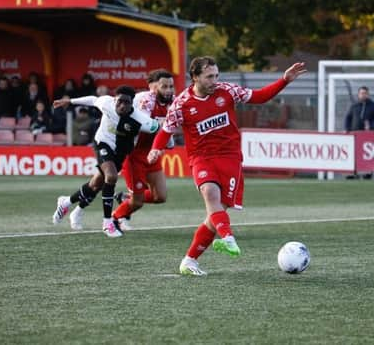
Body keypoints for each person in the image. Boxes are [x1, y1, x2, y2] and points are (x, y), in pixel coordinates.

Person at [147, 57, 307, 276]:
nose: (215, 80)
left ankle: (189, 260)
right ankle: (229, 238)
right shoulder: (182, 103)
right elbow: (166, 129)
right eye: (209, 76)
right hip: (201, 158)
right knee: (210, 194)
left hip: (230, 157)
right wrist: (157, 148)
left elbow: (259, 97)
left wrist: (284, 80)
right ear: (195, 77)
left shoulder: (228, 91)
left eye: (216, 75)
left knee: (216, 213)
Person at [51, 86, 159, 237]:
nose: (122, 105)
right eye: (119, 101)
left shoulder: (140, 118)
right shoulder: (106, 103)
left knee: (96, 184)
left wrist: (169, 137)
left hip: (120, 152)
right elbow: (93, 100)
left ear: (131, 104)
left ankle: (66, 202)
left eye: (126, 103)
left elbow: (159, 128)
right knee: (111, 176)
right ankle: (107, 222)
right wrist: (70, 101)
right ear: (114, 99)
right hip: (102, 143)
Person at [110, 69, 175, 231]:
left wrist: (167, 140)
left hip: (152, 153)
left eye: (171, 86)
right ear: (154, 88)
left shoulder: (173, 102)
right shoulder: (146, 101)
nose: (168, 90)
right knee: (137, 202)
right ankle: (114, 219)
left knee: (160, 196)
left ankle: (125, 198)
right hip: (134, 155)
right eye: (164, 86)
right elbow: (143, 126)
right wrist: (162, 127)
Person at [344, 86, 374, 179]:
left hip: (367, 135)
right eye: (361, 93)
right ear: (358, 94)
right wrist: (347, 129)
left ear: (368, 94)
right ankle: (353, 173)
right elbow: (348, 118)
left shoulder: (373, 105)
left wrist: (372, 127)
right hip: (355, 134)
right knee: (354, 154)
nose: (363, 95)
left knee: (368, 154)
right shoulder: (354, 105)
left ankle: (368, 173)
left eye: (365, 93)